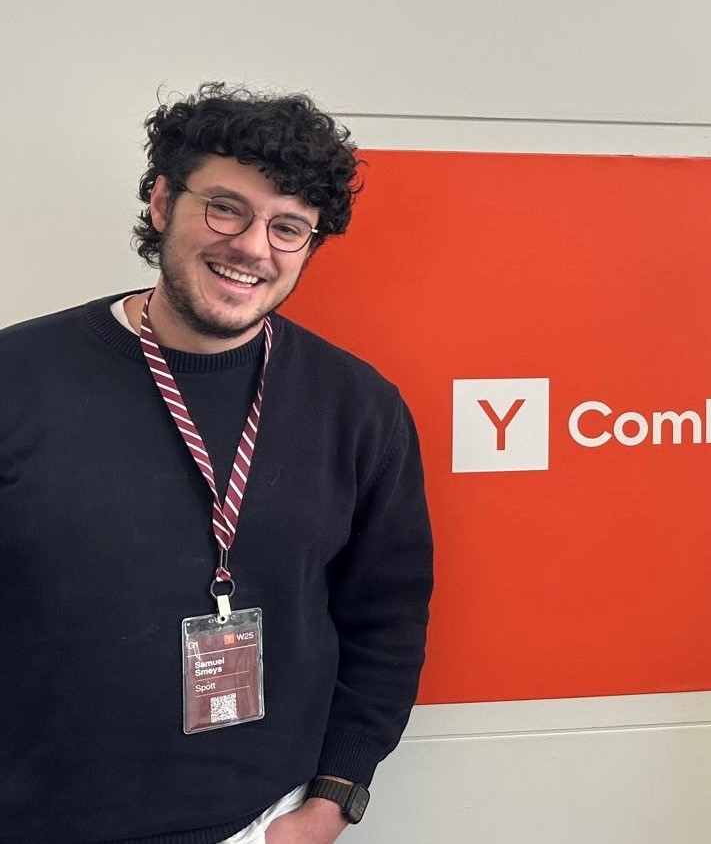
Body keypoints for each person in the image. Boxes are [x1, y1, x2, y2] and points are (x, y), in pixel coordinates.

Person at [0, 84, 433, 844]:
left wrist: (334, 798)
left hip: (257, 822)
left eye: (287, 227)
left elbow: (387, 620)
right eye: (226, 209)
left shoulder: (359, 408)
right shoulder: (17, 377)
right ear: (163, 202)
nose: (253, 247)